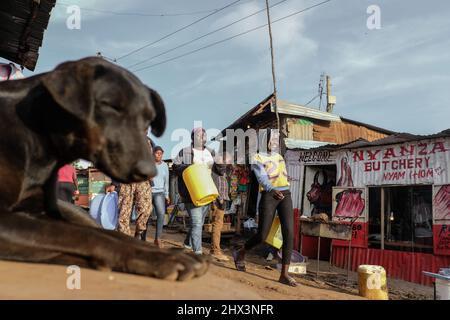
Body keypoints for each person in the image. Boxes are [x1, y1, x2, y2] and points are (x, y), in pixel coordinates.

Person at [232, 129, 297, 287]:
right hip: (269, 194)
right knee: (262, 235)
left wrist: (287, 179)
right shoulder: (257, 157)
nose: (274, 142)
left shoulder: (280, 156)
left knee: (289, 232)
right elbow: (261, 177)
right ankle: (241, 252)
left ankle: (284, 274)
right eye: (272, 139)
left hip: (285, 194)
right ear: (264, 140)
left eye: (276, 139)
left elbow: (280, 175)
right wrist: (271, 189)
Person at [173, 127, 215, 255]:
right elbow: (175, 167)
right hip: (191, 192)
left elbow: (217, 171)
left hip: (207, 191)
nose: (201, 137)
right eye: (198, 135)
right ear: (192, 137)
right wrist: (190, 167)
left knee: (199, 222)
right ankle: (198, 252)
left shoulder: (211, 152)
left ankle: (187, 243)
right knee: (197, 222)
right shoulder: (184, 151)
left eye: (204, 135)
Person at [117, 133, 154, 240]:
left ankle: (139, 232)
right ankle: (126, 241)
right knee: (124, 213)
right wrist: (114, 183)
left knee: (146, 209)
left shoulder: (149, 142)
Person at [210, 152, 233, 261]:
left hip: (221, 199)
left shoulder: (221, 170)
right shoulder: (217, 169)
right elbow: (215, 186)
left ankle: (214, 249)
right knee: (217, 224)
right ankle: (215, 250)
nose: (229, 164)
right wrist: (220, 199)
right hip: (218, 200)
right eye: (228, 161)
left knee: (218, 223)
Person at [151, 146, 170, 248]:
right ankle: (142, 238)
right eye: (157, 153)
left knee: (161, 214)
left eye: (161, 153)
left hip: (159, 193)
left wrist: (167, 195)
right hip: (147, 192)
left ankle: (157, 239)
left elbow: (166, 181)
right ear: (153, 153)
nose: (159, 155)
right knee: (144, 215)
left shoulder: (165, 166)